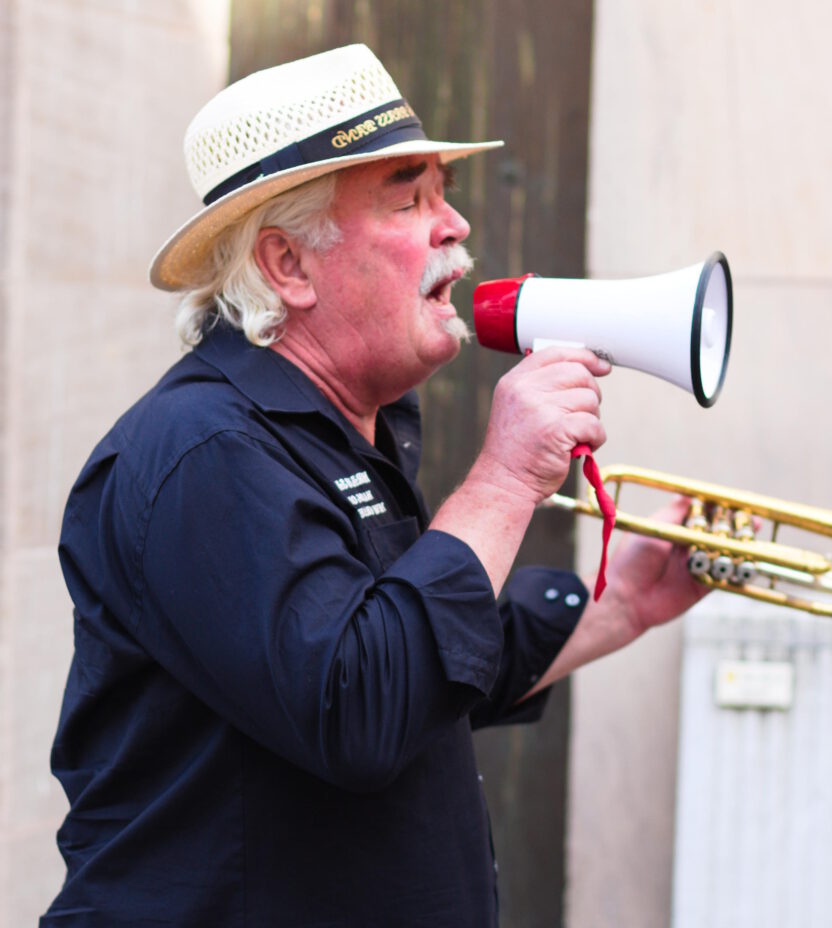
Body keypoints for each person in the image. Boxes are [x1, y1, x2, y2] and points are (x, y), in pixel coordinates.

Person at [42, 44, 705, 927]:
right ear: (288, 266)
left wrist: (617, 605)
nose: (456, 226)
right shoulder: (200, 451)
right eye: (411, 197)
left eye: (445, 191)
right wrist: (506, 477)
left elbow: (420, 660)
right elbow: (360, 702)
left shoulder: (348, 425)